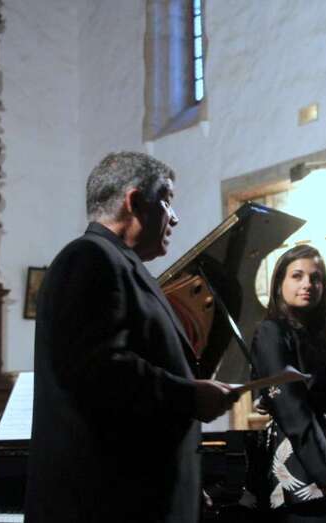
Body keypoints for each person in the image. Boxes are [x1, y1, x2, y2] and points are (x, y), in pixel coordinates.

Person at [24, 151, 238, 523]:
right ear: (135, 202)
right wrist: (190, 395)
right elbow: (99, 372)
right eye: (167, 201)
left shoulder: (121, 266)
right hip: (105, 505)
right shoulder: (88, 257)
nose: (175, 217)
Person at [252, 244, 326, 523]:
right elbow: (292, 410)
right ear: (279, 284)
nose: (307, 284)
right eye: (297, 276)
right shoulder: (270, 332)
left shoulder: (321, 337)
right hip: (305, 469)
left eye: (316, 278)